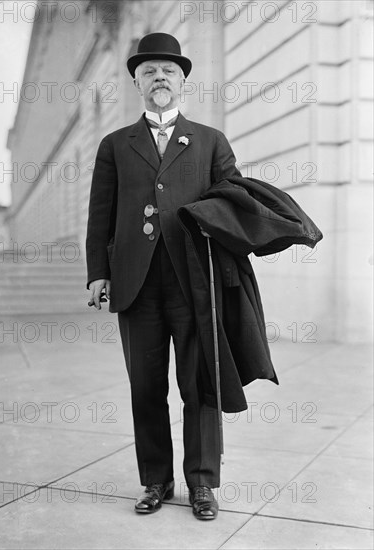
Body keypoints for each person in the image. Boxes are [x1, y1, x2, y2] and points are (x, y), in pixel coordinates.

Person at [86, 32, 323, 520]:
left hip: (195, 278)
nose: (160, 78)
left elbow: (231, 195)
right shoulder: (115, 145)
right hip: (136, 283)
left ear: (182, 82)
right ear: (137, 82)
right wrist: (97, 273)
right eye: (150, 71)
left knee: (200, 382)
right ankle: (155, 479)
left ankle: (202, 483)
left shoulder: (211, 140)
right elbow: (100, 215)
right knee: (146, 386)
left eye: (169, 71)